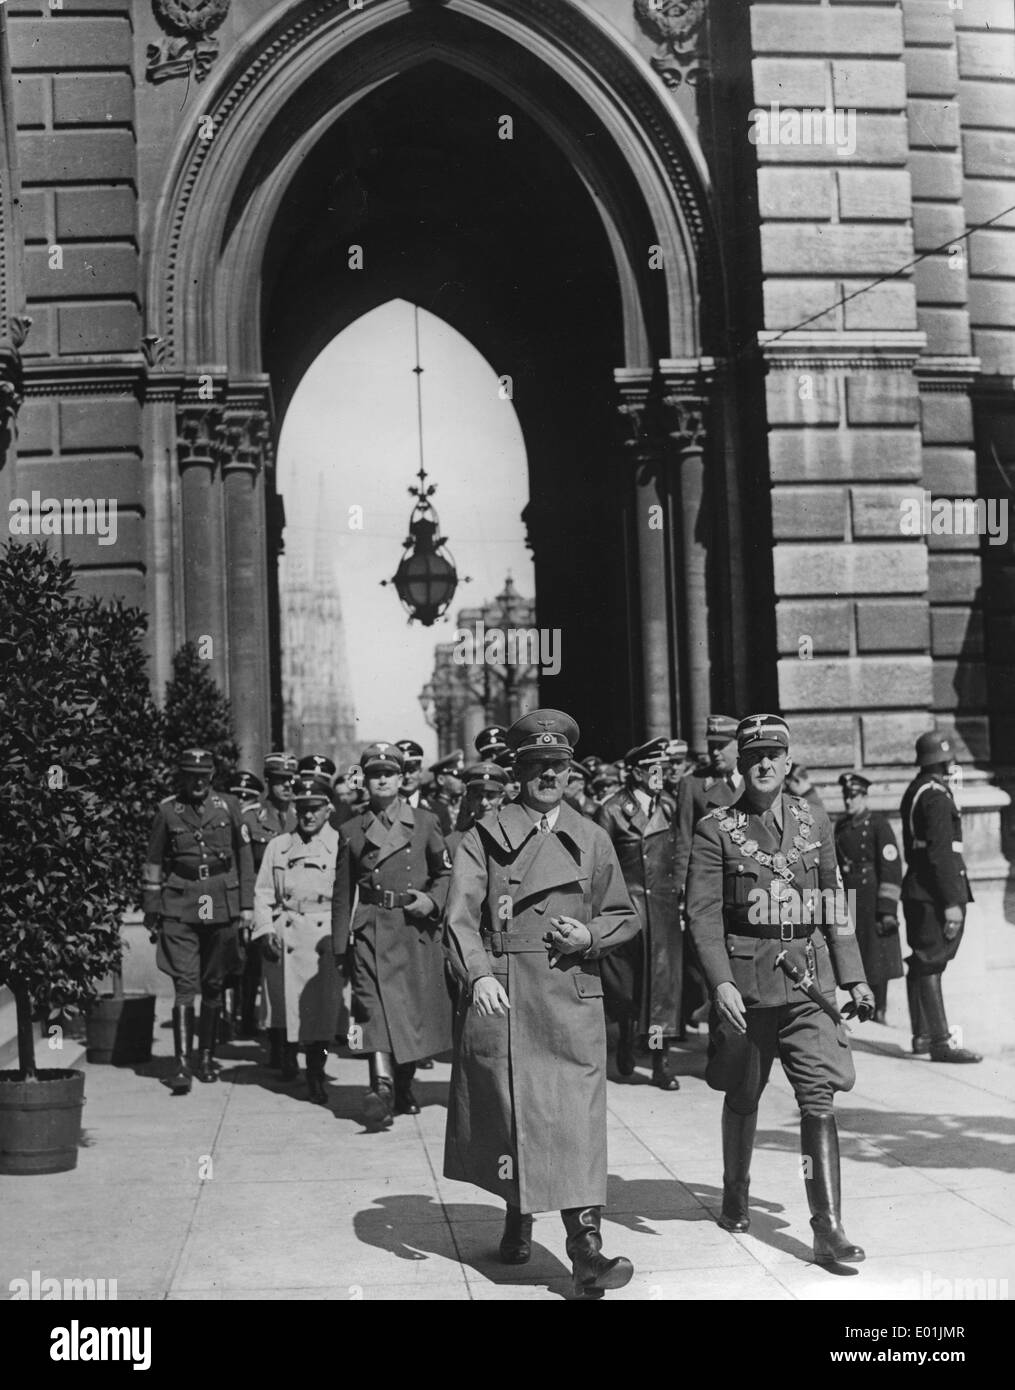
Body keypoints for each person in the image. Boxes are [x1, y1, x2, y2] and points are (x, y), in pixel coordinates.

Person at [443, 709, 640, 1299]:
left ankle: (586, 1253)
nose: (547, 776)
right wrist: (478, 974)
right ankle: (517, 1213)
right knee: (514, 1117)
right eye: (535, 766)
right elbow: (458, 918)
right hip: (506, 990)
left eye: (558, 766)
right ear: (517, 772)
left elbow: (624, 913)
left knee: (575, 1122)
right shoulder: (485, 834)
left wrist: (592, 937)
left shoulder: (593, 836)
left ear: (571, 772)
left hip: (570, 993)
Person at [686, 714, 875, 1264]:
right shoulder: (715, 828)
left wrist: (855, 978)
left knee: (818, 1099)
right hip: (747, 986)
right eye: (753, 757)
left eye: (775, 754)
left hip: (809, 983)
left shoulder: (816, 820)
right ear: (741, 765)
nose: (765, 764)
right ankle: (736, 1191)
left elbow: (835, 904)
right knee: (744, 1094)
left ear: (788, 762)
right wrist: (719, 981)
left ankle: (828, 1228)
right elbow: (701, 916)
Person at [332, 742, 453, 1127]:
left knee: (410, 1013)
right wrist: (339, 946)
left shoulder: (425, 821)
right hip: (370, 928)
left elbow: (445, 873)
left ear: (401, 779)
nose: (381, 779)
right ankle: (380, 1089)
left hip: (413, 928)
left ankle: (403, 1086)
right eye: (374, 774)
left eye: (389, 773)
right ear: (365, 781)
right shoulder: (350, 829)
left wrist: (432, 902)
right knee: (371, 1008)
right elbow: (342, 892)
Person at [142, 748, 254, 1094]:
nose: (198, 781)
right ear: (183, 776)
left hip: (218, 900)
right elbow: (154, 862)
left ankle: (206, 1055)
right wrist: (152, 908)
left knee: (214, 981)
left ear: (212, 776)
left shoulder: (229, 808)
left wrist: (246, 906)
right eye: (191, 774)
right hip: (181, 901)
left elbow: (244, 856)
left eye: (204, 774)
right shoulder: (167, 811)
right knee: (184, 983)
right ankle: (181, 1063)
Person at [251, 771, 343, 1104]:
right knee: (288, 1008)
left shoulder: (340, 844)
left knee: (321, 1014)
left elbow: (350, 894)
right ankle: (289, 1059)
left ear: (328, 809)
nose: (307, 814)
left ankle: (317, 1074)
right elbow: (262, 893)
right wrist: (265, 930)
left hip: (325, 937)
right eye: (302, 807)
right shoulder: (279, 846)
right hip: (288, 930)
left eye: (315, 807)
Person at [596, 738, 683, 1089]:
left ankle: (661, 1061)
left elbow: (677, 855)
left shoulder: (670, 807)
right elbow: (600, 864)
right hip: (627, 907)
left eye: (661, 769)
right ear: (635, 773)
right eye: (652, 770)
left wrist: (679, 897)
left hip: (661, 910)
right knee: (626, 985)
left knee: (662, 989)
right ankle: (627, 1035)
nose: (659, 776)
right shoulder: (613, 809)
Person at [900, 731, 981, 1062]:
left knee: (922, 961)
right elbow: (941, 854)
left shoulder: (918, 790)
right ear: (943, 761)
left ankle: (922, 1036)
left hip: (919, 889)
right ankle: (940, 1043)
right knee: (931, 963)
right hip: (933, 895)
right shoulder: (935, 796)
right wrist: (951, 903)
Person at [834, 773, 903, 1025]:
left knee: (877, 957)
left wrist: (887, 909)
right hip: (850, 898)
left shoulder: (878, 825)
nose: (848, 802)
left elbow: (891, 866)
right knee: (856, 954)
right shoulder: (841, 827)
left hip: (873, 898)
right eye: (846, 797)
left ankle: (879, 1009)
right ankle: (860, 1005)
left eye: (853, 796)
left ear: (864, 796)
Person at [241, 753, 299, 1051]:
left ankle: (286, 1042)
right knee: (266, 976)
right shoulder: (251, 817)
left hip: (296, 908)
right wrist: (247, 909)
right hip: (264, 906)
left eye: (291, 780)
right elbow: (246, 868)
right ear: (268, 782)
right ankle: (271, 1039)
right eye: (280, 781)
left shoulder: (303, 816)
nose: (287, 786)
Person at [446, 761, 508, 858]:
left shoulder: (515, 837)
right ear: (469, 798)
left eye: (490, 796)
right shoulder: (453, 843)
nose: (484, 803)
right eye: (478, 796)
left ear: (501, 798)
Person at [424, 749, 466, 834]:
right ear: (441, 780)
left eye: (462, 775)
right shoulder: (429, 808)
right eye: (457, 776)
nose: (461, 780)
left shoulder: (466, 804)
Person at [396, 739, 426, 809]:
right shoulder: (384, 808)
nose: (407, 776)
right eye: (402, 772)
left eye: (412, 771)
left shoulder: (437, 809)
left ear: (420, 771)